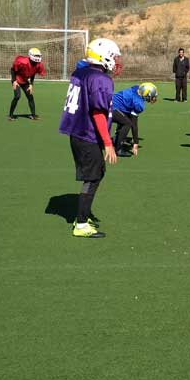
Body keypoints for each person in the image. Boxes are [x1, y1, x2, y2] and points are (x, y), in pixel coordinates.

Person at [58, 38, 122, 239]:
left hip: (77, 131)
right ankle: (82, 222)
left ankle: (83, 217)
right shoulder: (101, 79)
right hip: (88, 133)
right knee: (93, 177)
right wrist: (108, 143)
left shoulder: (81, 71)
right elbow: (97, 113)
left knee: (97, 173)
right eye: (113, 56)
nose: (115, 61)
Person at [111, 82, 158, 157]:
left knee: (125, 118)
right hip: (110, 108)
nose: (152, 98)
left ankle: (116, 140)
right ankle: (118, 149)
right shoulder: (138, 103)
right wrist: (136, 142)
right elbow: (134, 124)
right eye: (151, 96)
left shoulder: (136, 88)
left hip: (110, 104)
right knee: (127, 123)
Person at [9, 47, 45, 120]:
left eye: (38, 56)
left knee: (30, 97)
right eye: (36, 56)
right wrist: (14, 81)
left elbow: (33, 73)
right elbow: (13, 69)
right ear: (31, 55)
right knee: (17, 96)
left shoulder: (38, 64)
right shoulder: (22, 61)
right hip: (17, 80)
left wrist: (31, 84)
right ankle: (11, 115)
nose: (38, 57)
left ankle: (33, 115)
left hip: (25, 81)